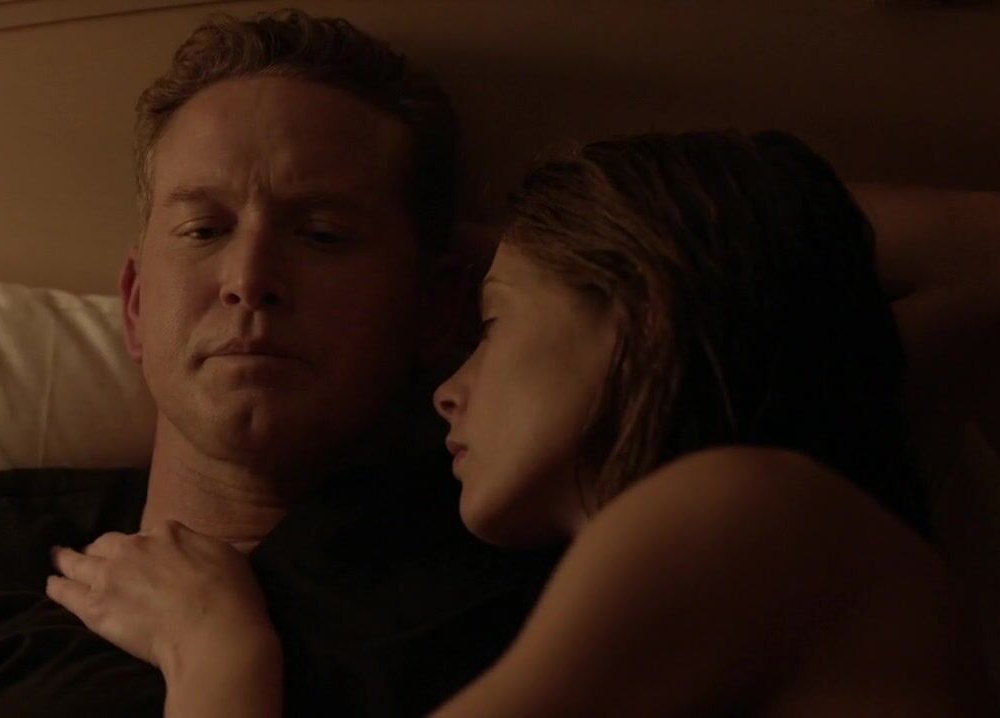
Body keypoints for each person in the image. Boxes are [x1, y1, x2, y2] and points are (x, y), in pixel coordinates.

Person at [0, 11, 559, 717]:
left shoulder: (529, 608)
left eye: (322, 235)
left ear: (434, 307)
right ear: (134, 305)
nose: (249, 280)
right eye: (203, 230)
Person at [63, 130, 1000, 715]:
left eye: (491, 323)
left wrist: (214, 652)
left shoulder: (740, 511)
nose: (447, 388)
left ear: (643, 313)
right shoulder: (780, 538)